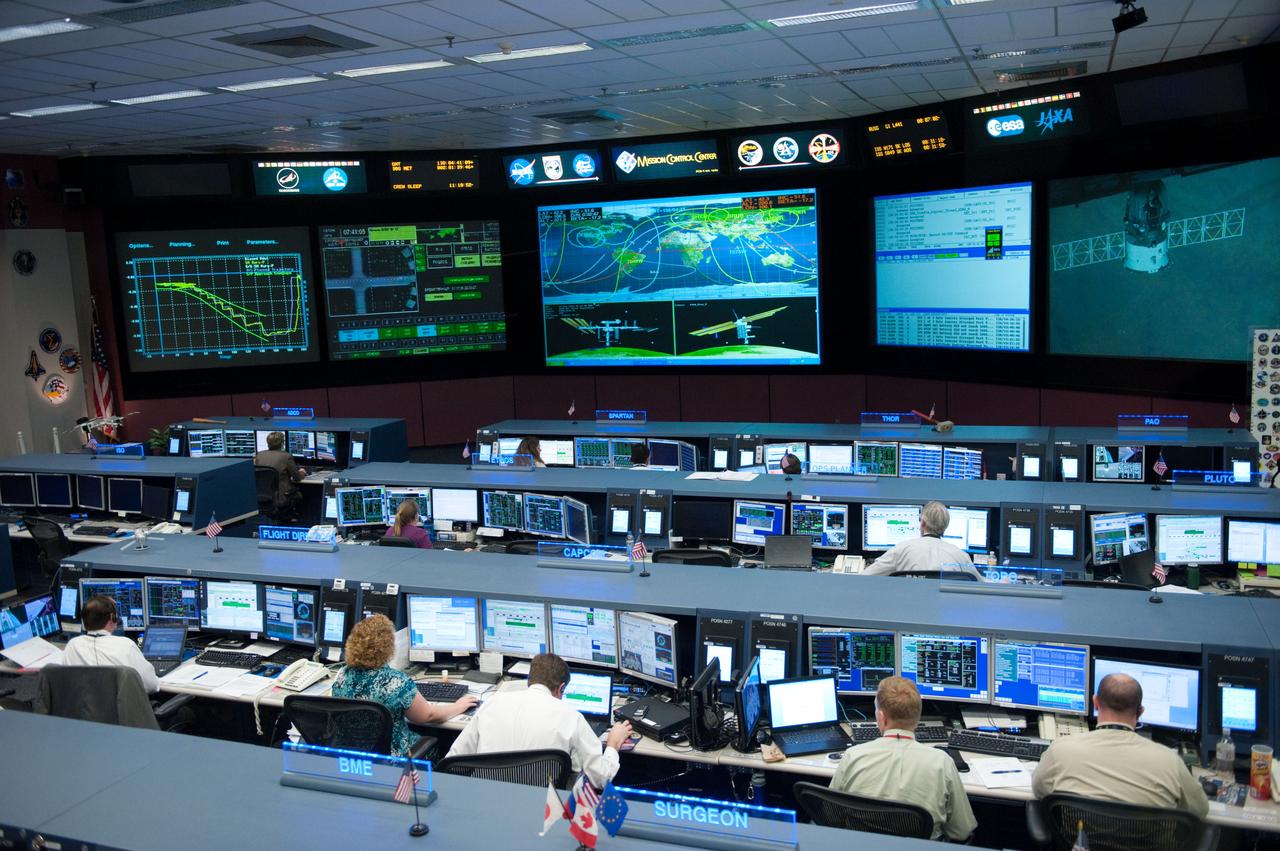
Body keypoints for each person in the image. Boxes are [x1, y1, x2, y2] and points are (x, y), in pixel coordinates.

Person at [1032, 673, 1208, 818]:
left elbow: (1040, 789)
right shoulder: (1170, 761)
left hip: (1081, 843)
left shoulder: (1061, 750)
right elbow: (1200, 810)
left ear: (1095, 703)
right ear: (1140, 712)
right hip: (1146, 845)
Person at [446, 652, 632, 789]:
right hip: (541, 810)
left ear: (530, 680)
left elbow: (452, 761)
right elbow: (600, 779)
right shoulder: (571, 717)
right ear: (560, 688)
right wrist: (613, 745)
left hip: (485, 802)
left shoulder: (492, 703)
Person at [830, 676, 976, 842]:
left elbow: (831, 816)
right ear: (917, 718)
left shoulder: (853, 756)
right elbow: (961, 831)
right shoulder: (942, 762)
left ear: (882, 717)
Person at [331, 615, 476, 756]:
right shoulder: (395, 681)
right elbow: (428, 716)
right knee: (444, 741)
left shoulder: (342, 675)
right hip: (394, 759)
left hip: (351, 757)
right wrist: (458, 706)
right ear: (387, 647)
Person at [62, 595, 159, 694]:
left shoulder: (72, 645)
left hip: (82, 703)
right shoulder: (126, 646)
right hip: (121, 704)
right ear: (113, 618)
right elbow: (151, 685)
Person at [863, 501, 982, 579]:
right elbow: (981, 584)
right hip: (946, 609)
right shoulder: (961, 556)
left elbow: (865, 576)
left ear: (923, 523)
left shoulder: (900, 550)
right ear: (946, 526)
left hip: (907, 608)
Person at [254, 431, 306, 509]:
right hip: (282, 497)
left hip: (263, 496)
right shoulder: (286, 456)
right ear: (282, 443)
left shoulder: (259, 455)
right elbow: (297, 477)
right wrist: (302, 472)